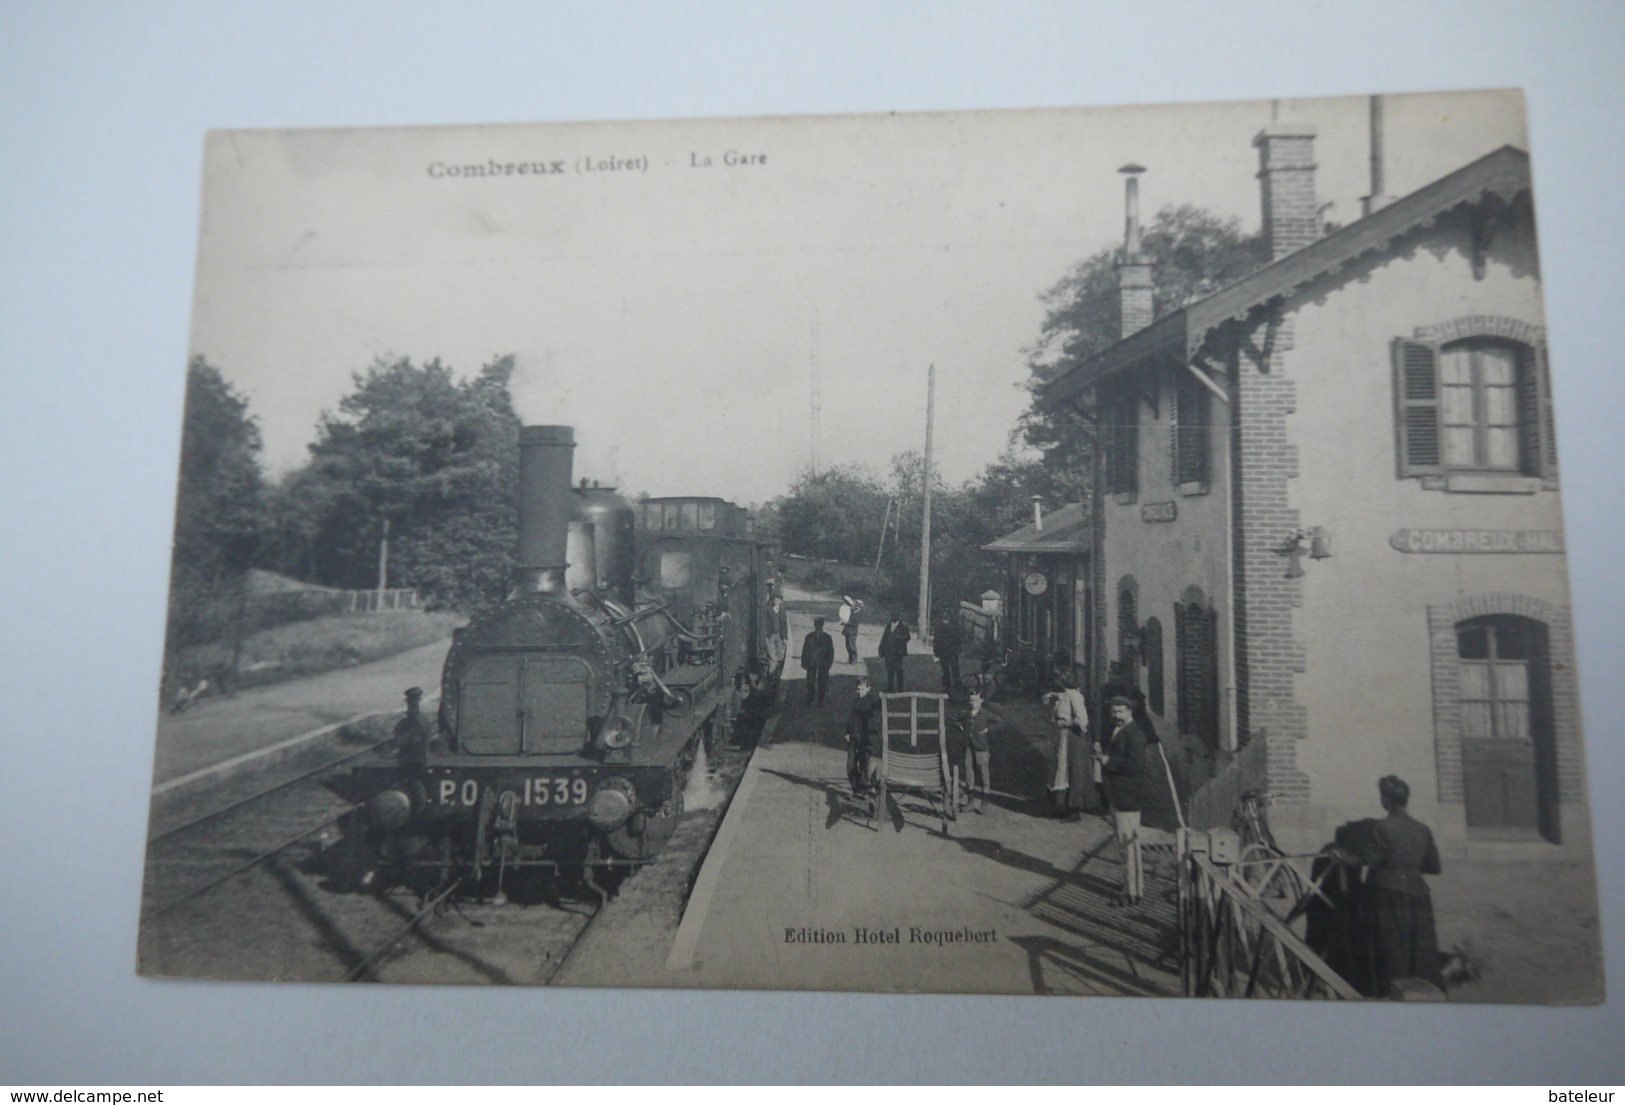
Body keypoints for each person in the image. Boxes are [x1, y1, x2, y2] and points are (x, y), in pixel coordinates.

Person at [1336, 775, 1445, 995]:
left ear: (1386, 800)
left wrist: (1341, 856)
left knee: (1391, 948)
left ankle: (1387, 994)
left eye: (1382, 796)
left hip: (1388, 895)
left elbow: (1369, 860)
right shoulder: (1423, 829)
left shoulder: (1382, 827)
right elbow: (1433, 866)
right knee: (1419, 947)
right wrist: (1407, 865)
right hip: (1419, 895)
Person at [1097, 695, 1148, 905]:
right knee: (1127, 845)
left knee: (1127, 846)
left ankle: (1131, 894)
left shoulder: (1134, 734)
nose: (1116, 716)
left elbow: (1134, 765)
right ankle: (1133, 886)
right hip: (1119, 795)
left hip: (1127, 797)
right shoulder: (1123, 730)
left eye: (1120, 712)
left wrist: (1107, 761)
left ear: (1129, 712)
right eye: (1114, 712)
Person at [1045, 672, 1092, 821]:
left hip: (1073, 738)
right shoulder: (1065, 694)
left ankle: (1074, 812)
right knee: (1061, 771)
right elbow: (1060, 697)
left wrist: (1064, 723)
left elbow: (1082, 721)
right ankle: (1064, 807)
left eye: (1058, 679)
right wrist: (1051, 695)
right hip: (1062, 737)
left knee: (1072, 771)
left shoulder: (1075, 696)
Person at [952, 689, 998, 814]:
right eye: (971, 700)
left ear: (981, 701)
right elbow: (953, 719)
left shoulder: (986, 714)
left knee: (984, 773)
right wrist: (959, 726)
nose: (973, 703)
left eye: (976, 700)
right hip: (968, 747)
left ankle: (984, 802)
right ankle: (970, 801)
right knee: (969, 773)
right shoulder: (965, 713)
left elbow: (1000, 723)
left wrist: (988, 729)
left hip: (982, 748)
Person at [844, 675, 883, 793]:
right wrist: (847, 732)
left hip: (865, 737)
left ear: (868, 688)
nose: (859, 692)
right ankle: (856, 786)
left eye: (862, 689)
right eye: (858, 689)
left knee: (864, 762)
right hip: (853, 736)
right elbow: (850, 718)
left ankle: (863, 787)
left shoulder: (870, 701)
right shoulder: (855, 701)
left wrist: (881, 698)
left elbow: (878, 706)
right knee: (850, 764)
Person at [394, 686, 432, 771]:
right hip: (415, 759)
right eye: (411, 702)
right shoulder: (422, 720)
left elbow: (414, 740)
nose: (412, 704)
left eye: (412, 702)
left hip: (413, 760)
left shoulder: (419, 721)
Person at [800, 616, 835, 706]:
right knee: (810, 681)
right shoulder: (809, 637)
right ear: (815, 626)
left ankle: (820, 701)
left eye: (820, 627)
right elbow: (805, 650)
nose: (818, 629)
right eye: (817, 627)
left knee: (822, 682)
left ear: (822, 627)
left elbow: (830, 652)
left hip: (823, 664)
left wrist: (829, 664)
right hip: (812, 663)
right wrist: (804, 662)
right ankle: (810, 699)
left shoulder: (827, 637)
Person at [878, 612, 911, 693]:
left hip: (897, 652)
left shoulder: (903, 626)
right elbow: (884, 638)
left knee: (898, 669)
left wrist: (899, 638)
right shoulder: (888, 626)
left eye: (895, 615)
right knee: (889, 670)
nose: (893, 617)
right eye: (892, 615)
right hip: (888, 651)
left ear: (899, 617)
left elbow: (907, 637)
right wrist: (881, 649)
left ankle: (900, 688)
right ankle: (890, 687)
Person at [932, 614, 964, 694]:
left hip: (952, 652)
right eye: (943, 618)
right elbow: (936, 640)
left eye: (946, 618)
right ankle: (947, 687)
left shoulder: (955, 627)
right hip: (943, 653)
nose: (945, 620)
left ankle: (957, 686)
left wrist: (957, 649)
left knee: (955, 670)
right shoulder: (939, 627)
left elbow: (959, 639)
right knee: (945, 670)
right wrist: (936, 652)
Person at [841, 598, 864, 664]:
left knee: (852, 645)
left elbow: (855, 624)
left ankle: (854, 659)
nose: (854, 607)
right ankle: (850, 658)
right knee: (848, 645)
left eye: (856, 606)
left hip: (852, 631)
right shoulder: (853, 611)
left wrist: (846, 622)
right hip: (848, 631)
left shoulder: (858, 614)